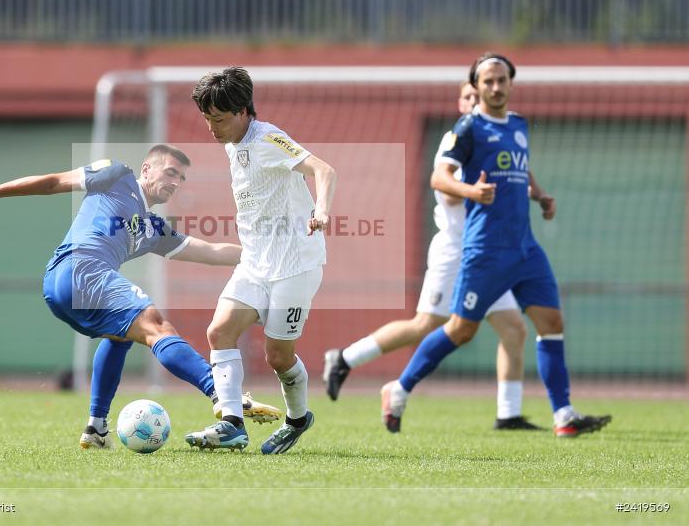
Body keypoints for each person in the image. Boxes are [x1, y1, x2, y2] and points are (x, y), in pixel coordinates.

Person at [0, 144, 280, 449]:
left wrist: (265, 254)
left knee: (120, 336)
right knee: (157, 326)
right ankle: (221, 393)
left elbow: (210, 251)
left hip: (64, 287)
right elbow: (52, 183)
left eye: (181, 177)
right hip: (80, 268)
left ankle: (96, 428)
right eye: (170, 172)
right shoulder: (117, 175)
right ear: (146, 169)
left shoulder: (153, 228)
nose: (176, 182)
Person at [381, 53, 612, 437]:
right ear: (478, 85)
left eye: (501, 80)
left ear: (511, 83)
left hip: (525, 248)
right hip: (485, 249)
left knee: (551, 323)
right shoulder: (468, 127)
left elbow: (520, 168)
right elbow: (440, 178)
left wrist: (540, 195)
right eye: (487, 81)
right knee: (460, 331)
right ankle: (399, 389)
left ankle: (564, 414)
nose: (495, 87)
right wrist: (471, 190)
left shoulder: (519, 125)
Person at [323, 81, 542, 431]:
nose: (475, 102)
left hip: (488, 250)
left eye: (479, 97)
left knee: (514, 329)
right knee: (426, 324)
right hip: (457, 249)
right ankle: (346, 358)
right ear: (461, 103)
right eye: (469, 97)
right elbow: (448, 193)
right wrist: (475, 189)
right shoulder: (455, 140)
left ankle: (508, 414)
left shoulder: (496, 137)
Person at [184, 67, 337, 454]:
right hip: (255, 262)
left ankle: (298, 419)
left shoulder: (268, 137)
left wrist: (321, 209)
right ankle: (233, 424)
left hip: (295, 264)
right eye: (207, 120)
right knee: (219, 332)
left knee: (277, 356)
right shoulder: (232, 143)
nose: (212, 129)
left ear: (243, 112)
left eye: (219, 120)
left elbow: (323, 169)